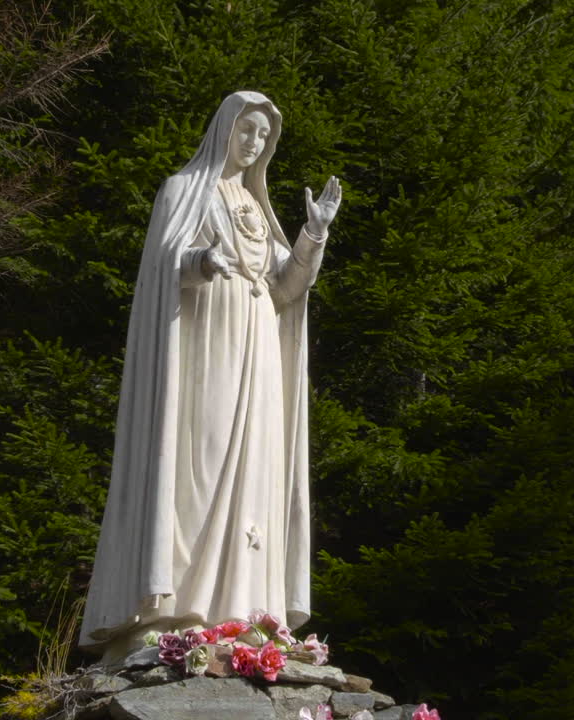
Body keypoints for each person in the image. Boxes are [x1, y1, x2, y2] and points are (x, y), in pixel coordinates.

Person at [78, 91, 341, 662]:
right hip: (203, 352)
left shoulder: (257, 209)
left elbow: (285, 288)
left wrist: (313, 235)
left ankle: (244, 612)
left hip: (258, 350)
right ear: (224, 128)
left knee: (254, 471)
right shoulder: (183, 191)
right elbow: (161, 270)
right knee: (200, 462)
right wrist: (199, 262)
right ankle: (182, 611)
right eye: (246, 130)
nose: (253, 143)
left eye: (263, 137)